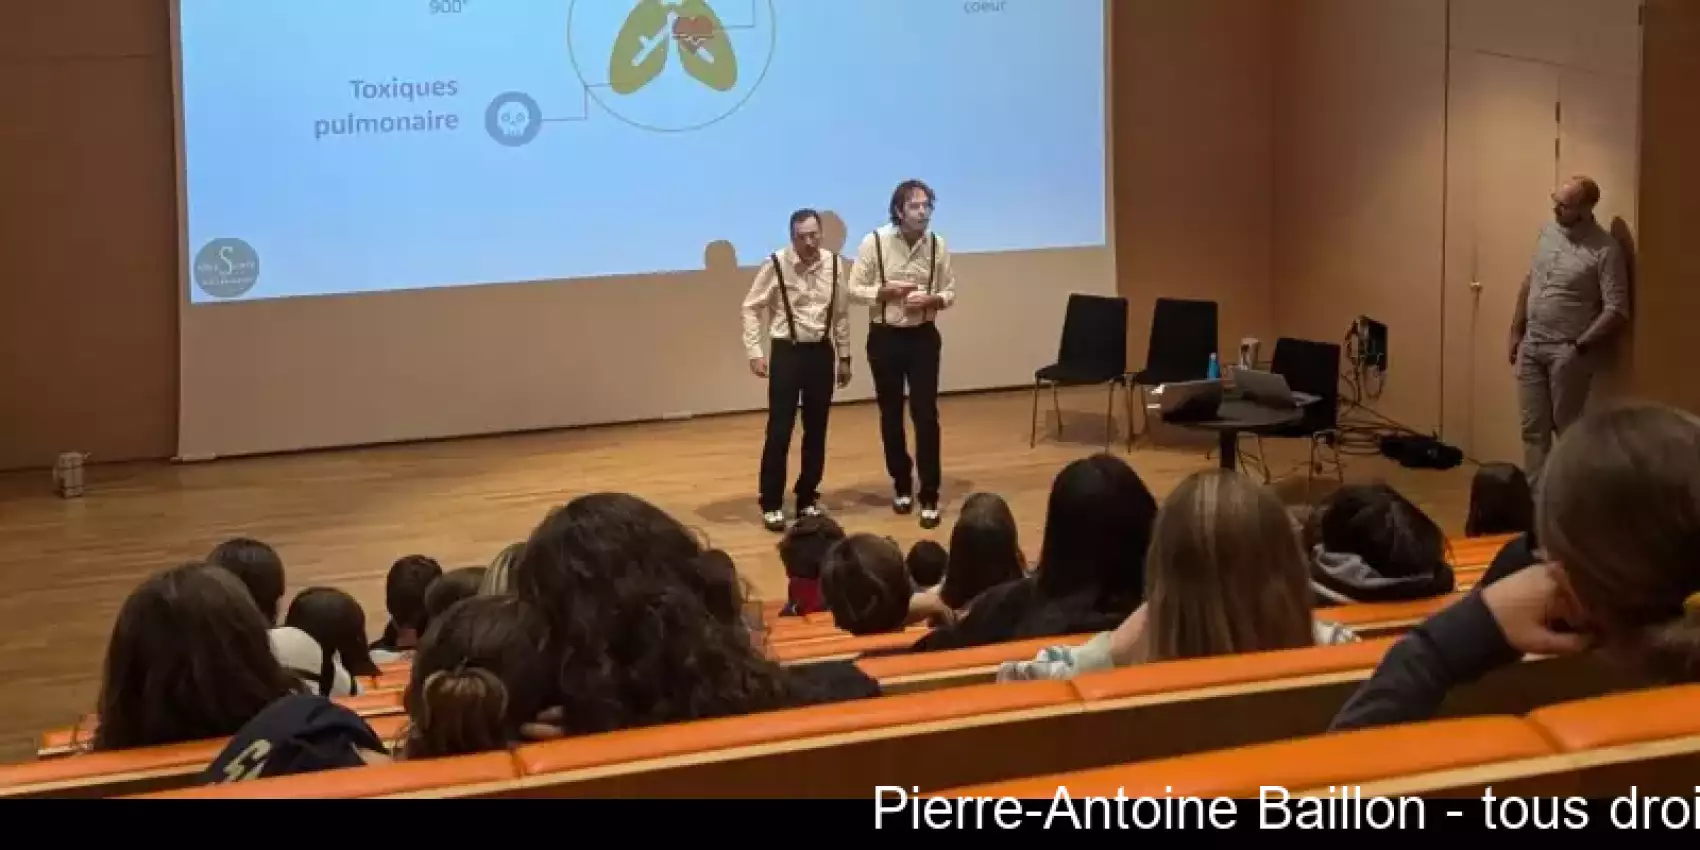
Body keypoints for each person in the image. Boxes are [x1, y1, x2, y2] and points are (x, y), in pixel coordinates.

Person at [848, 179, 957, 529]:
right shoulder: (875, 242)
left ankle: (930, 494)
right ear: (899, 210)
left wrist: (933, 299)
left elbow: (949, 291)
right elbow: (853, 289)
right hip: (886, 338)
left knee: (926, 415)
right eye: (915, 206)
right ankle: (901, 485)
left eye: (927, 206)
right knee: (891, 414)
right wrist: (885, 293)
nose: (922, 212)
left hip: (923, 337)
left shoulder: (937, 244)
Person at [1508, 175, 1630, 487]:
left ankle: (1570, 500)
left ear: (1586, 209)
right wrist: (1516, 330)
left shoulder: (1605, 250)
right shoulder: (1548, 232)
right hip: (1532, 345)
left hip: (1567, 352)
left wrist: (1578, 347)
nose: (1556, 209)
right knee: (1533, 431)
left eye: (1564, 205)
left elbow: (1617, 309)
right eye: (1556, 202)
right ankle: (1537, 500)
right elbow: (1530, 281)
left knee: (1569, 433)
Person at [742, 209, 852, 532]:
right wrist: (754, 352)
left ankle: (807, 497)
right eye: (802, 237)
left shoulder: (834, 264)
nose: (809, 242)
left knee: (816, 430)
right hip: (787, 352)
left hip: (820, 352)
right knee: (780, 429)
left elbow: (840, 314)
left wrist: (845, 356)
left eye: (813, 235)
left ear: (821, 233)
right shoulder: (776, 264)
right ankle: (771, 502)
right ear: (792, 238)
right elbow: (750, 307)